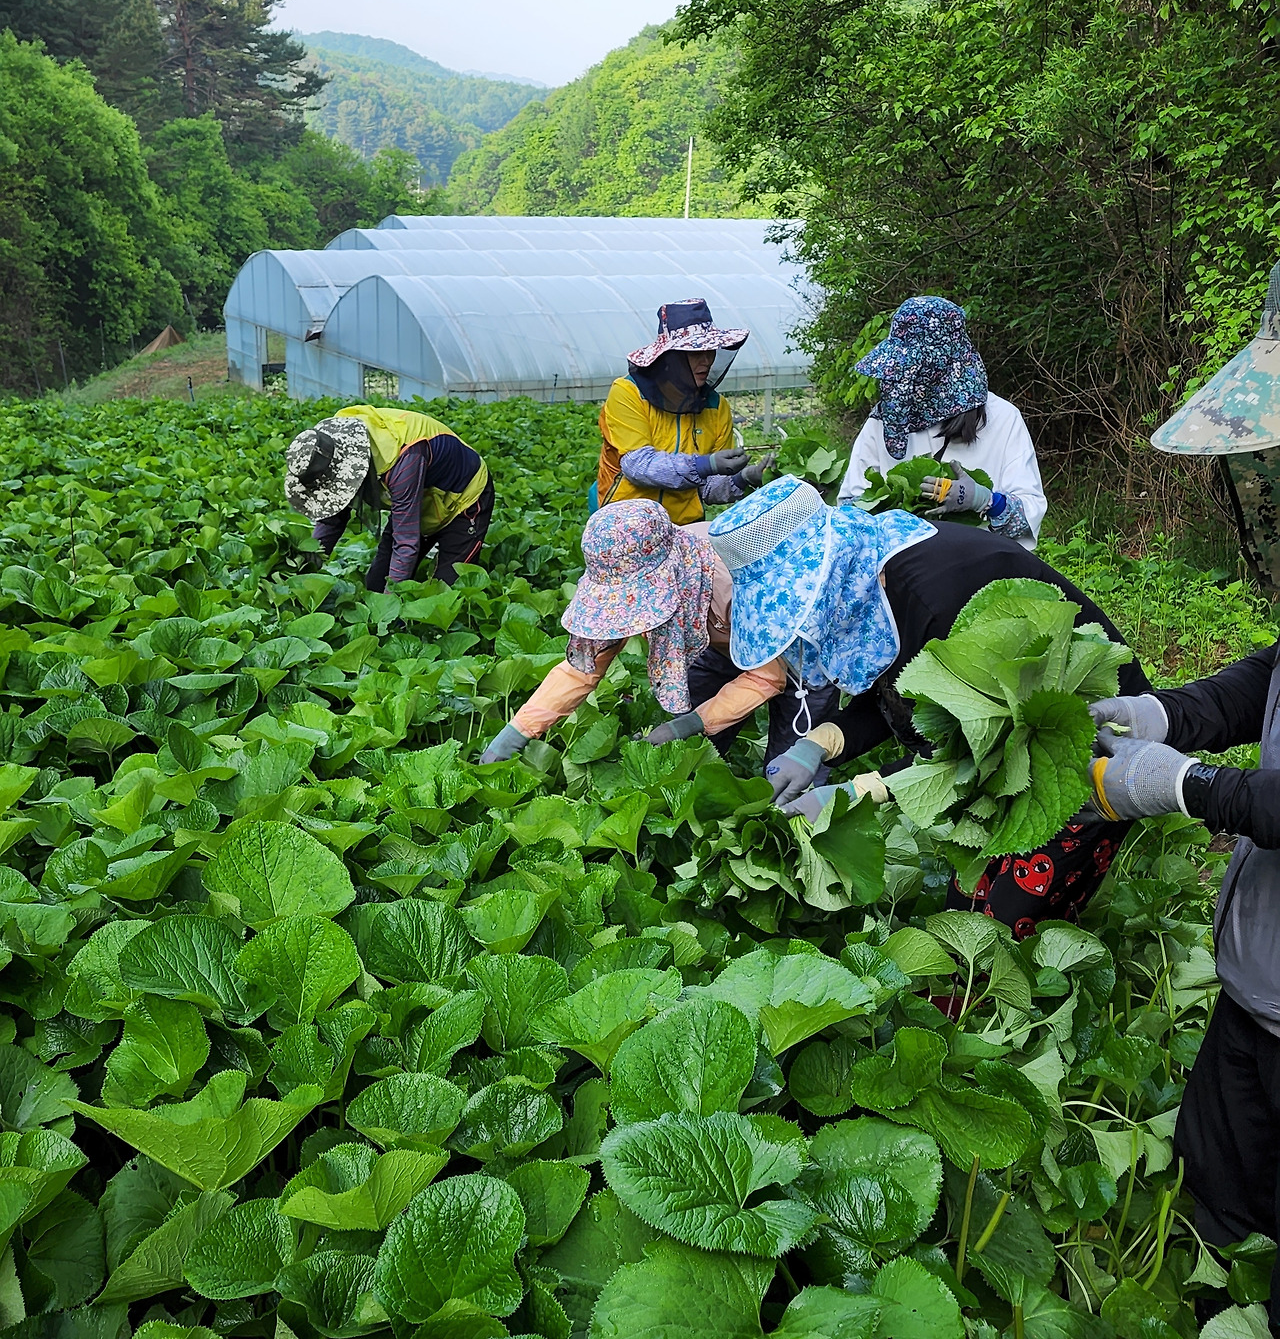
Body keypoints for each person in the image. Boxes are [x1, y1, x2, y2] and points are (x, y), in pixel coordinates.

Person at [708, 475, 1152, 936]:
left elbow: (966, 752)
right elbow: (897, 702)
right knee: (963, 910)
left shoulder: (934, 599)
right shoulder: (864, 585)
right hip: (1004, 748)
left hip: (1079, 736)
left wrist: (855, 792)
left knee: (1008, 920)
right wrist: (818, 745)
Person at [1088, 623, 1280, 1333]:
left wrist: (1186, 784)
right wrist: (1160, 713)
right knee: (1217, 1194)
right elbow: (1265, 681)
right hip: (1256, 990)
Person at [478, 499, 824, 767]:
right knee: (686, 758)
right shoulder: (640, 564)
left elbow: (768, 676)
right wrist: (517, 732)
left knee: (787, 769)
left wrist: (692, 723)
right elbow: (584, 667)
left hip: (801, 656)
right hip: (713, 642)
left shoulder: (732, 583)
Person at [837, 296, 1047, 549]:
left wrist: (986, 501)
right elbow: (850, 502)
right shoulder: (886, 417)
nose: (906, 382)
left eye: (916, 371)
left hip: (980, 563)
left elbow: (1029, 514)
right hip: (899, 567)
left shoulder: (1002, 418)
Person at [285, 404, 493, 591]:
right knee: (376, 583)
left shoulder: (402, 458)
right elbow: (332, 521)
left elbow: (406, 543)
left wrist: (388, 609)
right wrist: (300, 580)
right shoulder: (326, 450)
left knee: (447, 590)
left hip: (463, 500)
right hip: (417, 501)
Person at [594, 298, 765, 526]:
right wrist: (706, 464)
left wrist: (744, 478)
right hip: (626, 525)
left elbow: (708, 489)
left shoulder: (715, 407)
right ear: (671, 357)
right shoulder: (628, 393)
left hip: (683, 527)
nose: (706, 360)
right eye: (695, 353)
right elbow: (639, 466)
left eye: (710, 351)